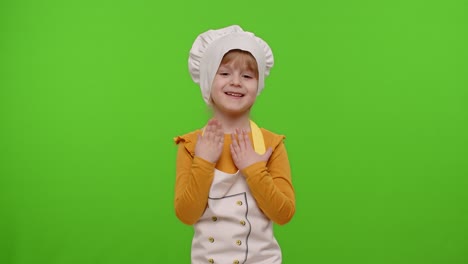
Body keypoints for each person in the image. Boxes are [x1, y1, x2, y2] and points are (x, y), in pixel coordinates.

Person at [173, 25, 295, 264]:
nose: (236, 82)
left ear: (258, 85)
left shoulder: (271, 144)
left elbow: (284, 214)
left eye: (247, 76)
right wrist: (204, 161)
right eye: (225, 73)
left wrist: (254, 169)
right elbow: (187, 214)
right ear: (208, 79)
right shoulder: (191, 145)